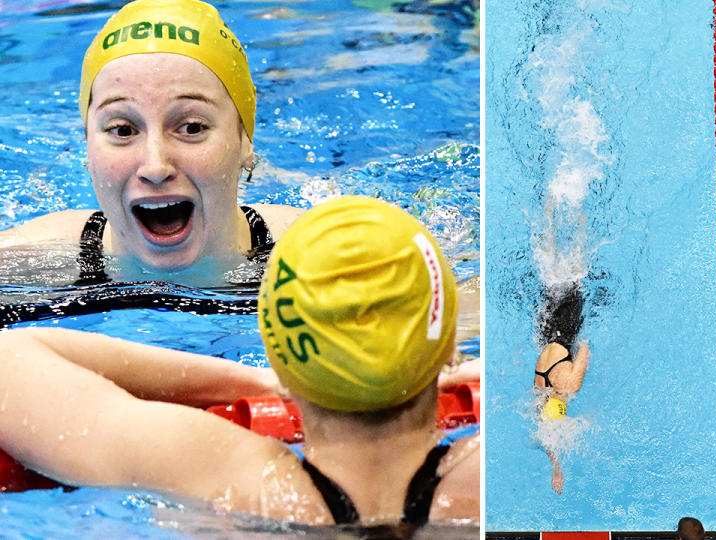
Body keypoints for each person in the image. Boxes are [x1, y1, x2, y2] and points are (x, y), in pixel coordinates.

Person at [0, 196, 480, 527]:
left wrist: (256, 383)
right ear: (448, 346)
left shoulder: (228, 480)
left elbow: (10, 360)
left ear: (277, 346)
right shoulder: (487, 476)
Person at [0, 0, 303, 283]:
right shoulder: (27, 263)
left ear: (245, 141)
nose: (155, 168)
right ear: (88, 149)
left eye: (192, 127)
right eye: (122, 130)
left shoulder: (311, 258)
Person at [534, 284, 590, 495]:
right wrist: (556, 468)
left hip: (565, 332)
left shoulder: (570, 386)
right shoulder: (541, 392)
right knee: (552, 282)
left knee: (574, 280)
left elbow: (584, 348)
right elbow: (546, 436)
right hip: (546, 334)